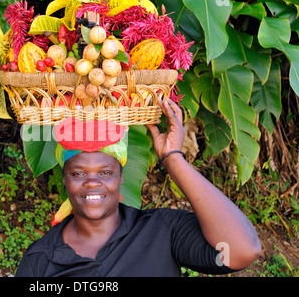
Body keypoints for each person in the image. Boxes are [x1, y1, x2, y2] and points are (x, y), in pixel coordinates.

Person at [15, 98, 262, 277]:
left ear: (121, 177)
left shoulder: (161, 230)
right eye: (78, 173)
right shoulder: (41, 259)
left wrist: (173, 159)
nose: (92, 182)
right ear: (65, 180)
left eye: (105, 172)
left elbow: (242, 250)